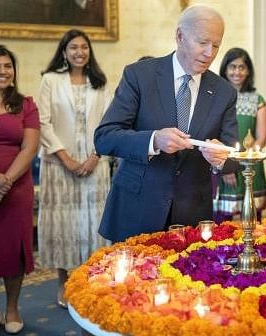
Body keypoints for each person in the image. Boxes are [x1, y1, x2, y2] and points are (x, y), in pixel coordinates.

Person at [94, 4, 238, 242]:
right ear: (180, 36)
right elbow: (104, 137)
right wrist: (153, 140)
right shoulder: (140, 75)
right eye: (202, 43)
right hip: (137, 207)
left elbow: (233, 156)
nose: (209, 53)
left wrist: (221, 159)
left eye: (216, 45)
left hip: (191, 216)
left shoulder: (224, 92)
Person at [36, 29, 111, 308]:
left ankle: (92, 282)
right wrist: (66, 158)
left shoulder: (100, 83)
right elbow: (43, 122)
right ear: (64, 52)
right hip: (59, 164)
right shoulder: (50, 80)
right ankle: (64, 283)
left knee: (93, 225)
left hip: (95, 163)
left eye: (84, 47)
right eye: (73, 47)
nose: (80, 52)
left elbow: (108, 123)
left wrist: (94, 156)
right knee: (64, 225)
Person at [0, 45, 40, 336]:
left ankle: (13, 309)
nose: (2, 71)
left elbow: (29, 148)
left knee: (13, 251)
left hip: (16, 189)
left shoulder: (25, 104)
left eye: (8, 66)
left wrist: (3, 185)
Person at [213, 47, 266, 222]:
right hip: (224, 163)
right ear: (225, 69)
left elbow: (261, 136)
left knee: (252, 218)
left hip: (251, 164)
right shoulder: (216, 97)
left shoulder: (256, 99)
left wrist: (249, 161)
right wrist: (228, 165)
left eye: (242, 67)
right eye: (232, 67)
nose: (237, 72)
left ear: (248, 70)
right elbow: (214, 132)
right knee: (223, 221)